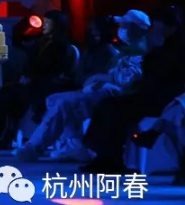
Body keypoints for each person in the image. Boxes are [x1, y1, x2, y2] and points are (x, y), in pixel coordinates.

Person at [16, 9, 151, 162]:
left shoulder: (140, 50)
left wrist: (102, 78)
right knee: (53, 99)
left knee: (64, 103)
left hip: (121, 95)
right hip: (105, 89)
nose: (121, 29)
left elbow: (127, 79)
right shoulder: (125, 49)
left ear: (136, 28)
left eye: (125, 26)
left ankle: (35, 147)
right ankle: (74, 144)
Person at [82, 7, 185, 173]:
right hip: (152, 94)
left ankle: (111, 159)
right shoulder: (163, 45)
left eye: (157, 24)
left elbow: (164, 75)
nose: (153, 27)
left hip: (166, 98)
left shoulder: (176, 48)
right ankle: (104, 157)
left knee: (115, 108)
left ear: (169, 26)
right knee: (107, 105)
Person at [0, 11, 75, 149]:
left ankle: (7, 136)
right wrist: (24, 75)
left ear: (57, 25)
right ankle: (2, 135)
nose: (43, 25)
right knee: (5, 92)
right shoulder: (40, 42)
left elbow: (56, 69)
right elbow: (28, 59)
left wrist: (33, 78)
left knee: (13, 95)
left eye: (47, 23)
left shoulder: (63, 46)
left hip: (46, 85)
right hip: (31, 82)